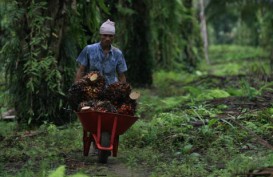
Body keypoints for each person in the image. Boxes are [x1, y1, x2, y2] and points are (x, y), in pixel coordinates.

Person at [74, 19, 127, 85]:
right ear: (100, 35)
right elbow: (81, 70)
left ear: (114, 37)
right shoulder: (89, 49)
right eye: (105, 35)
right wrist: (76, 86)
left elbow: (121, 75)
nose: (107, 38)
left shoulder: (118, 53)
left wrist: (124, 91)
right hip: (91, 88)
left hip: (111, 89)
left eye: (110, 36)